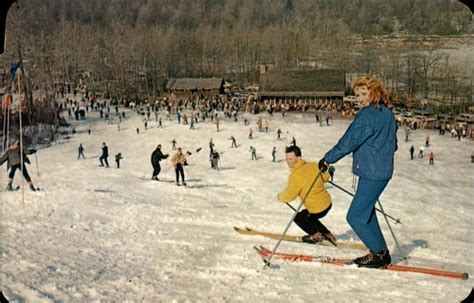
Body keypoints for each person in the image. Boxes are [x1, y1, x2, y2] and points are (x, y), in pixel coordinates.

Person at [318, 76, 397, 269]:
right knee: (367, 213)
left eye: (364, 94)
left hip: (372, 173)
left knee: (355, 216)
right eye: (357, 95)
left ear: (374, 92)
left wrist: (328, 158)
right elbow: (393, 144)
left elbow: (349, 141)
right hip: (381, 171)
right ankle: (381, 253)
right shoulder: (388, 114)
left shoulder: (367, 115)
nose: (359, 99)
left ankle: (378, 254)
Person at [278, 145, 335, 244]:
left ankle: (316, 236)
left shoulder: (295, 176)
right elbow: (325, 177)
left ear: (298, 157)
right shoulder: (313, 165)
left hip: (317, 208)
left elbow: (290, 195)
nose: (288, 161)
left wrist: (281, 197)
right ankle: (327, 234)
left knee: (299, 218)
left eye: (291, 158)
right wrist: (329, 171)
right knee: (308, 216)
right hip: (327, 203)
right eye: (287, 158)